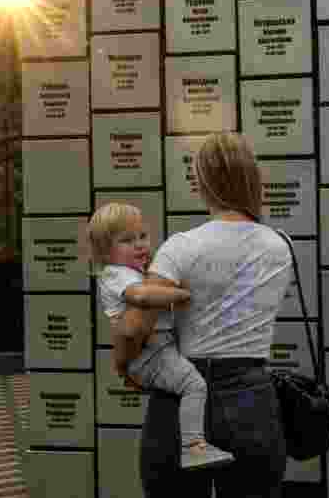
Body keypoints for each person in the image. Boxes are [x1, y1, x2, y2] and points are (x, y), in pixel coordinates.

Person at [115, 132, 293, 498]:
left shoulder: (181, 247)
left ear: (202, 182)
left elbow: (133, 328)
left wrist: (124, 367)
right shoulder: (279, 245)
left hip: (180, 395)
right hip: (251, 399)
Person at [89, 202, 235, 470]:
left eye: (142, 236)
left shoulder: (132, 272)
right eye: (127, 240)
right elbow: (143, 297)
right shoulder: (114, 274)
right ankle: (193, 447)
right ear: (105, 252)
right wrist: (183, 295)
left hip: (155, 349)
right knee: (194, 386)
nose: (140, 245)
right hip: (150, 353)